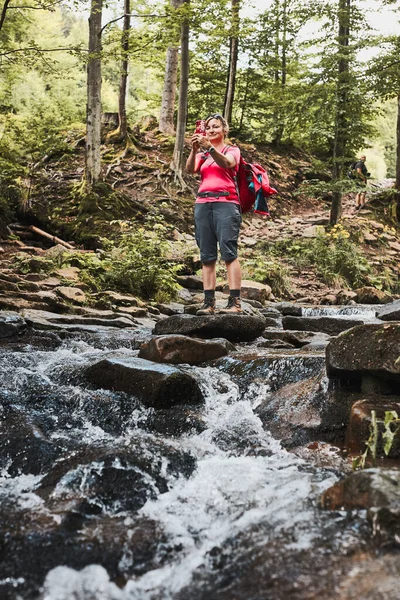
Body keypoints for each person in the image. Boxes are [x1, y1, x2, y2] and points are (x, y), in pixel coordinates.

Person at [185, 113, 243, 315]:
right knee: (207, 255)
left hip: (226, 203)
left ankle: (235, 303)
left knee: (229, 253)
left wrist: (208, 147)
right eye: (208, 127)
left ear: (224, 130)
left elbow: (227, 163)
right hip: (203, 203)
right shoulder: (203, 155)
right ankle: (208, 303)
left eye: (216, 127)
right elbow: (190, 169)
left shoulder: (231, 150)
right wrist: (194, 150)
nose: (211, 130)